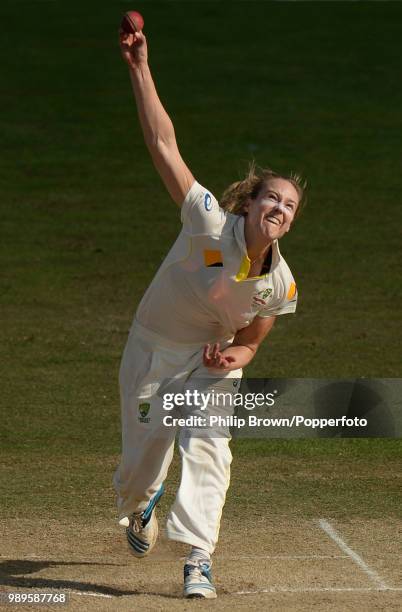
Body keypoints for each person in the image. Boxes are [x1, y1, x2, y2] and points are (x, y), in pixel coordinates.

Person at [114, 25, 305, 600]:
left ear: (291, 222)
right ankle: (141, 503)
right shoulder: (205, 223)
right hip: (154, 347)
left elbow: (253, 339)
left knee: (209, 441)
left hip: (210, 361)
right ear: (249, 202)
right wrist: (139, 68)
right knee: (139, 467)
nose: (279, 207)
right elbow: (164, 146)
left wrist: (233, 353)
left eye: (290, 206)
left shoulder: (280, 283)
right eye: (272, 196)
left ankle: (199, 557)